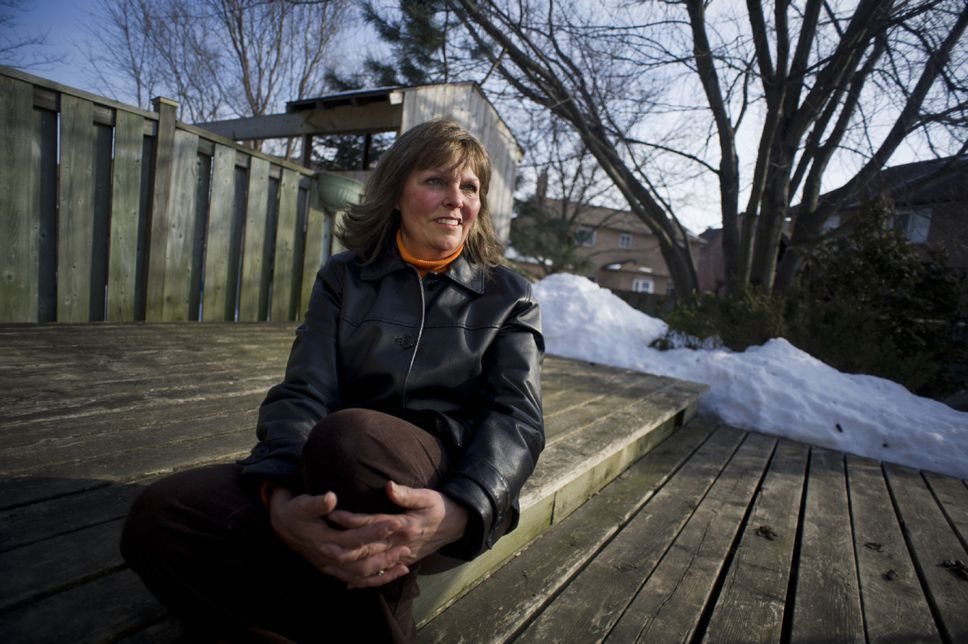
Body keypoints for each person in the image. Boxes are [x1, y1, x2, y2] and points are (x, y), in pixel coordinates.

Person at [120, 119, 545, 643]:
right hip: (325, 469)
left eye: (470, 187)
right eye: (436, 180)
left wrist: (462, 509)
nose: (455, 200)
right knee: (160, 516)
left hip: (440, 483)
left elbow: (517, 418)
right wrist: (278, 497)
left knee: (353, 438)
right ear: (395, 192)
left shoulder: (509, 294)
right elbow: (305, 390)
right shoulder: (345, 277)